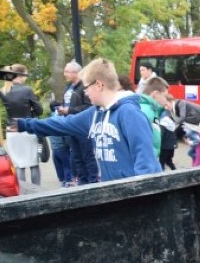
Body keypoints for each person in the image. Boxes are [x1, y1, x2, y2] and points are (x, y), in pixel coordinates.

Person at [11, 58, 162, 182]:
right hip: (113, 194)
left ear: (99, 85)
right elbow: (61, 124)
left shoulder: (129, 113)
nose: (85, 92)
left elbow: (146, 163)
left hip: (133, 200)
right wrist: (24, 124)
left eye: (86, 87)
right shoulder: (94, 114)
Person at [0, 64, 44, 186]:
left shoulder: (3, 91)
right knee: (33, 163)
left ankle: (23, 194)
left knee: (19, 165)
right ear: (21, 75)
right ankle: (36, 192)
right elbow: (39, 110)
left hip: (11, 130)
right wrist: (31, 112)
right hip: (27, 127)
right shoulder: (27, 90)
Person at [58, 61, 99, 184]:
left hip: (83, 126)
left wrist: (69, 110)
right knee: (76, 156)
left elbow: (89, 106)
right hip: (71, 126)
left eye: (67, 71)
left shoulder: (84, 88)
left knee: (87, 155)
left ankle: (92, 181)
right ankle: (82, 181)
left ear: (76, 73)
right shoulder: (68, 87)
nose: (64, 74)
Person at [171, 96, 200, 167]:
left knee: (199, 146)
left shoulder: (180, 103)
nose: (166, 107)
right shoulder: (175, 107)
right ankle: (196, 165)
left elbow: (182, 118)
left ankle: (197, 166)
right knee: (193, 149)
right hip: (198, 122)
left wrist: (174, 122)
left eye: (166, 105)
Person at [138, 77, 170, 157]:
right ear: (155, 94)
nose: (166, 100)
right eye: (165, 96)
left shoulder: (151, 110)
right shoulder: (147, 112)